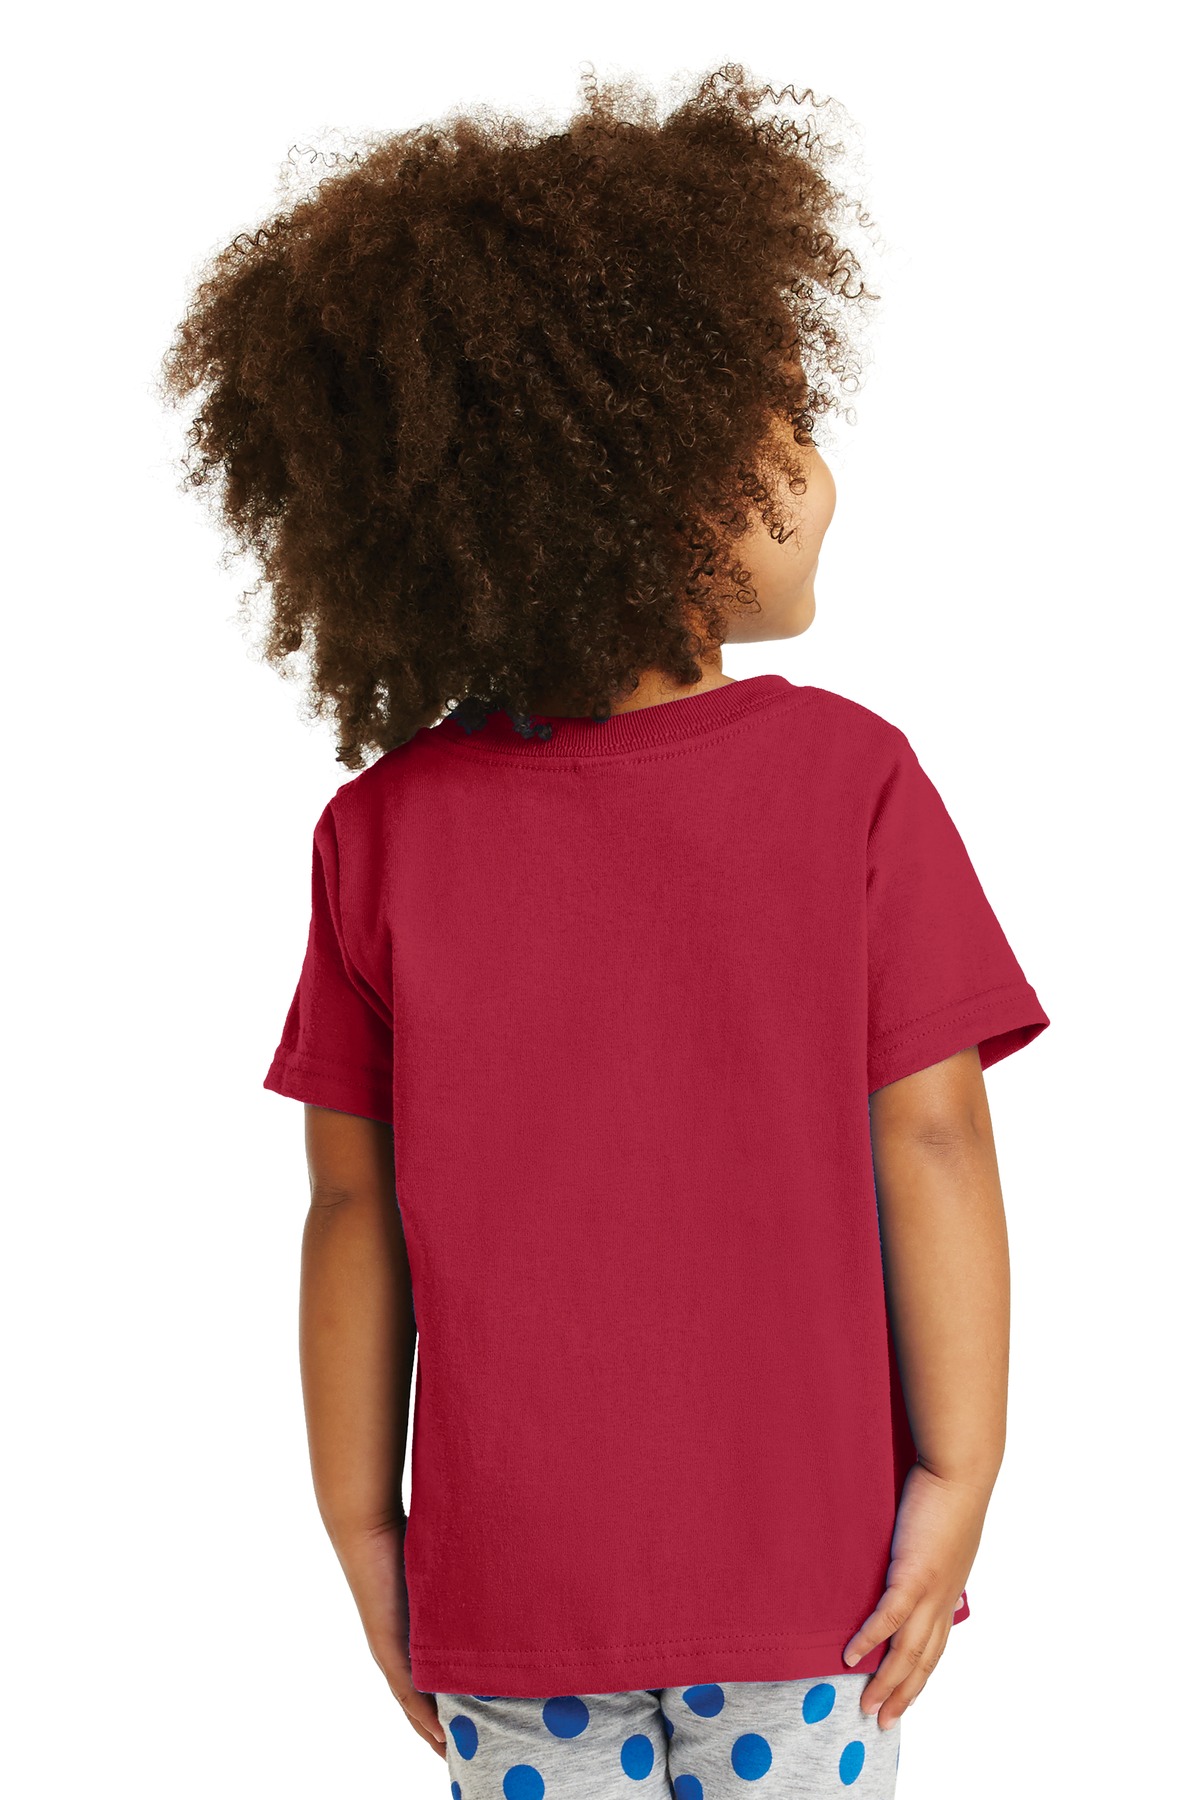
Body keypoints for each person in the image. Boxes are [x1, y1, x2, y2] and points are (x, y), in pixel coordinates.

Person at [161, 63, 1050, 1799]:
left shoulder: (382, 833)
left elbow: (349, 1210)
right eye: (779, 433)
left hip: (512, 1597)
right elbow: (936, 1139)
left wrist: (365, 1526)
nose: (819, 480)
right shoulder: (852, 785)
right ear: (651, 482)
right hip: (815, 1593)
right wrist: (960, 1474)